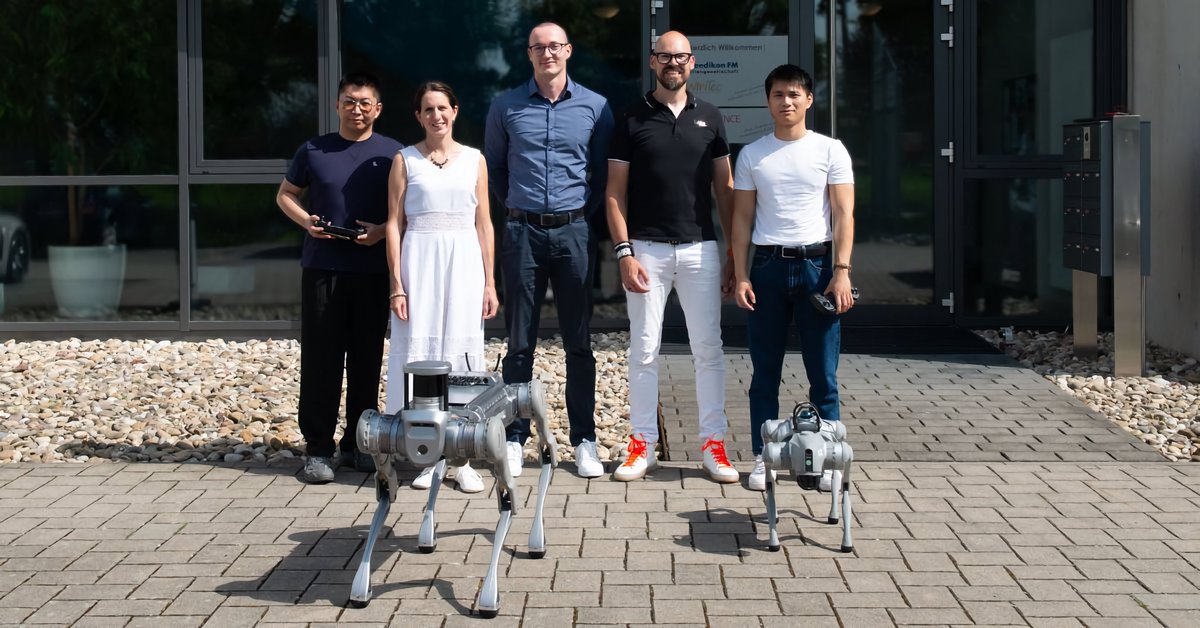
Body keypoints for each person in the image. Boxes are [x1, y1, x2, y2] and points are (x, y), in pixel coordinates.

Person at [605, 31, 737, 483]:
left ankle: (713, 445)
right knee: (643, 350)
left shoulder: (712, 118)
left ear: (692, 63)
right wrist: (624, 253)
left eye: (680, 57)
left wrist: (734, 254)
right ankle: (641, 444)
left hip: (701, 249)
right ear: (653, 61)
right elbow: (614, 195)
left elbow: (726, 191)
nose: (673, 63)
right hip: (646, 250)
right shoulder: (630, 118)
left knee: (709, 351)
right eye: (665, 56)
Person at [485, 22, 614, 479]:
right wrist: (520, 211)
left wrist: (578, 214)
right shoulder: (506, 106)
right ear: (529, 54)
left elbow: (602, 175)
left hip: (574, 232)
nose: (547, 54)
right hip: (521, 234)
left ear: (568, 50)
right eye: (538, 47)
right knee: (519, 342)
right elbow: (495, 171)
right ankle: (517, 437)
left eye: (554, 46)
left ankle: (584, 440)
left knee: (579, 342)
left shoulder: (596, 107)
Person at [731, 64, 856, 492]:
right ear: (768, 101)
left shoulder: (830, 150)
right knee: (765, 371)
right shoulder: (752, 154)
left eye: (794, 94)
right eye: (778, 94)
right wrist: (741, 274)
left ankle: (829, 459)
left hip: (818, 268)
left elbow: (843, 214)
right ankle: (763, 457)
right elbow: (742, 218)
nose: (786, 101)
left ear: (809, 100)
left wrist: (841, 272)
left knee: (823, 372)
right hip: (766, 268)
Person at [276, 72, 403, 484]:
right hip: (323, 268)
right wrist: (307, 224)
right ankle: (318, 449)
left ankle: (358, 444)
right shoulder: (314, 149)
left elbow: (405, 212)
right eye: (350, 101)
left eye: (365, 102)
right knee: (321, 359)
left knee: (366, 360)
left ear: (378, 109)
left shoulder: (394, 154)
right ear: (336, 105)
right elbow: (285, 195)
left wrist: (382, 231)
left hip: (372, 270)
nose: (357, 109)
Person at [384, 81, 497, 494]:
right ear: (418, 116)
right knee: (423, 353)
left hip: (464, 262)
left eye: (443, 108)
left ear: (455, 110)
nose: (436, 116)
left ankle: (463, 456)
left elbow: (484, 223)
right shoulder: (405, 160)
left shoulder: (475, 160)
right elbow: (395, 224)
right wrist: (397, 284)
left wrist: (490, 281)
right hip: (420, 263)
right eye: (428, 109)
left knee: (462, 356)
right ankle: (426, 455)